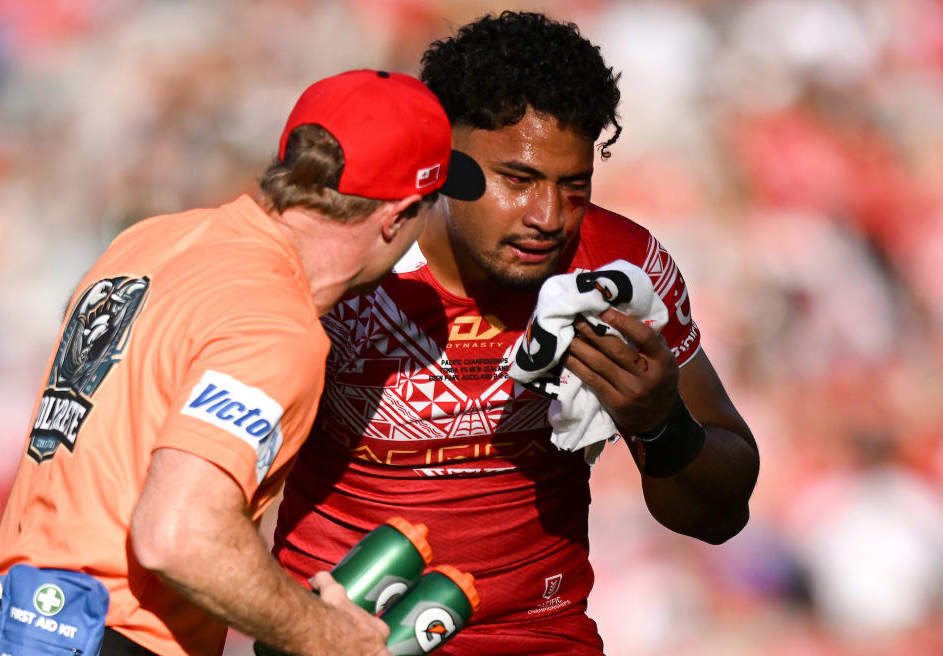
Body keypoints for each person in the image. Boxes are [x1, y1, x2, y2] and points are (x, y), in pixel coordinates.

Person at [271, 12, 759, 655]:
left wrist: (661, 424)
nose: (548, 217)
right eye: (518, 180)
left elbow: (721, 518)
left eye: (573, 186)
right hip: (340, 633)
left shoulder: (619, 269)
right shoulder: (345, 264)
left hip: (539, 633)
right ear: (444, 162)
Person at [0, 69, 483, 656]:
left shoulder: (147, 242)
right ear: (397, 218)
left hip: (5, 621)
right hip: (105, 636)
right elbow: (178, 534)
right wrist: (331, 636)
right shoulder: (275, 323)